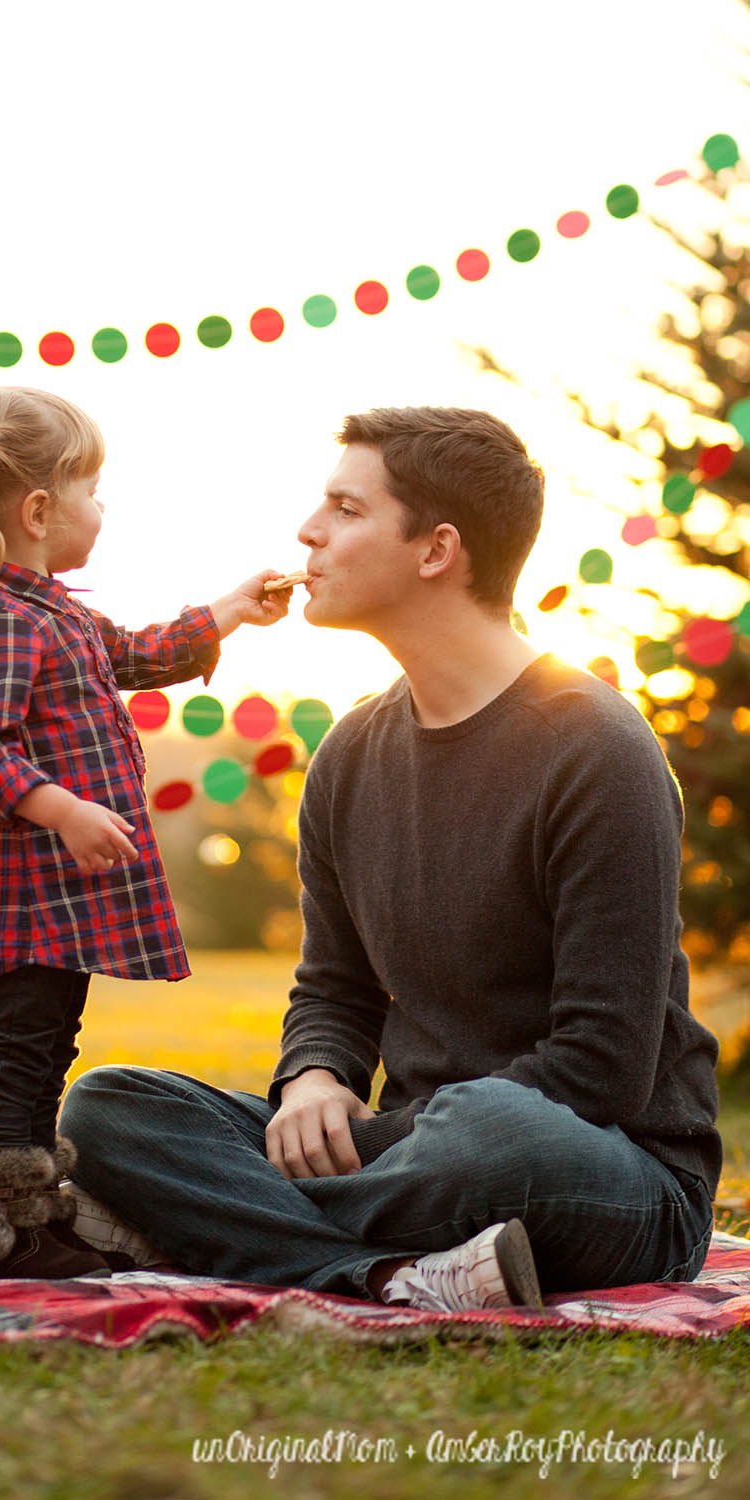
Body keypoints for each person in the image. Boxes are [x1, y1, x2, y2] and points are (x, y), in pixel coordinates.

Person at [58, 404, 722, 1311]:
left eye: (345, 508)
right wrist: (314, 1082)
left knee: (488, 1129)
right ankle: (385, 1274)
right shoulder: (351, 752)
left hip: (604, 1169)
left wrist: (377, 1140)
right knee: (109, 1109)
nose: (308, 532)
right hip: (414, 1153)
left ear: (436, 550)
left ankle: (221, 1225)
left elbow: (599, 1069)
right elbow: (334, 988)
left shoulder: (597, 748)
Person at [0, 386, 293, 1279]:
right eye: (92, 488)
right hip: (18, 892)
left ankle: (32, 1208)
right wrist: (65, 809)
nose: (103, 505)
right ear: (40, 510)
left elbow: (137, 652)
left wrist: (227, 611)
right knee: (13, 1047)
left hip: (57, 896)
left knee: (50, 1041)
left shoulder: (55, 609)